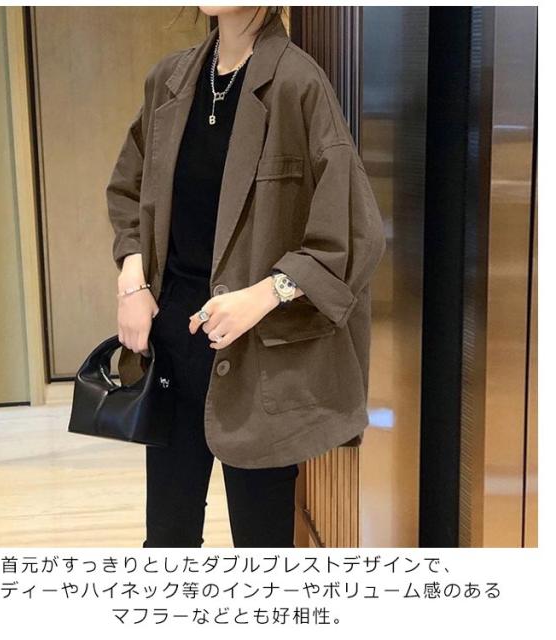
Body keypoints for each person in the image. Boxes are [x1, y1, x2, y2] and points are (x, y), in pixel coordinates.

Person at [106, 6, 386, 548]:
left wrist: (266, 293)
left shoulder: (299, 84)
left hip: (261, 362)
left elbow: (355, 233)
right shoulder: (170, 79)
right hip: (172, 345)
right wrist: (132, 281)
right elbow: (127, 189)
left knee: (262, 545)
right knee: (166, 540)